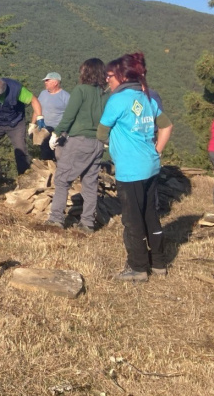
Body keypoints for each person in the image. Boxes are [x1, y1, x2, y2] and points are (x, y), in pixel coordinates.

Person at [97, 53, 173, 282]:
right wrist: (156, 150)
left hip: (130, 169)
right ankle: (159, 263)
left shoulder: (117, 101)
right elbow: (167, 126)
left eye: (109, 76)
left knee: (132, 219)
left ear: (120, 76)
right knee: (150, 214)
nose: (107, 80)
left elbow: (101, 132)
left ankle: (138, 268)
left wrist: (116, 145)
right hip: (150, 165)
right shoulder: (147, 97)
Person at [44, 59, 107, 233]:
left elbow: (69, 116)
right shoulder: (103, 93)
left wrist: (56, 134)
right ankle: (87, 223)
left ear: (85, 72)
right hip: (98, 142)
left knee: (62, 179)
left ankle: (56, 219)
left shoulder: (80, 90)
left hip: (79, 140)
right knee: (90, 182)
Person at [36, 72, 71, 160]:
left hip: (59, 131)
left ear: (55, 83)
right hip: (44, 130)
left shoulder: (66, 97)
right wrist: (32, 125)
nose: (45, 82)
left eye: (47, 80)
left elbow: (71, 115)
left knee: (59, 155)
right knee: (45, 155)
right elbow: (37, 109)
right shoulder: (43, 93)